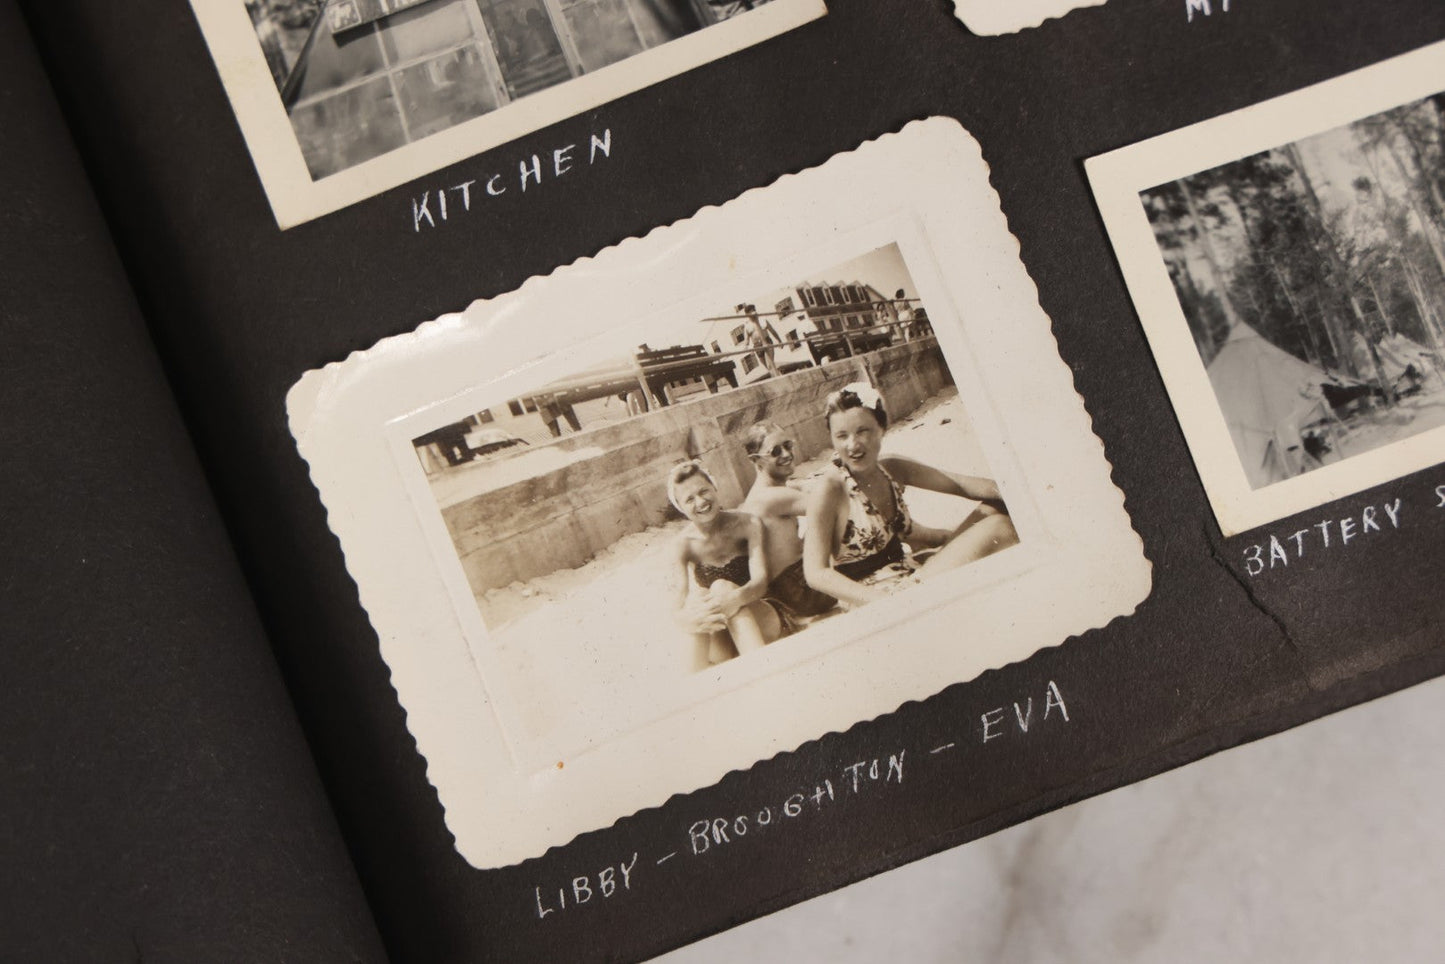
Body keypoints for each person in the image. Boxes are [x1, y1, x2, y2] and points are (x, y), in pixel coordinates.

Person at [803, 382, 1018, 608]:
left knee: (993, 508)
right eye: (841, 436)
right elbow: (815, 572)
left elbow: (963, 485)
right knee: (998, 527)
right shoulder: (830, 488)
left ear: (881, 428)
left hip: (910, 572)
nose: (852, 445)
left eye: (862, 431)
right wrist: (885, 601)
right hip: (880, 597)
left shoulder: (891, 469)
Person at [667, 461, 783, 671]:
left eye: (703, 491)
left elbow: (760, 582)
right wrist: (688, 619)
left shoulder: (748, 524)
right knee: (698, 599)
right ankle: (694, 688)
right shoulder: (682, 545)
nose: (701, 501)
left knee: (721, 587)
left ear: (714, 487)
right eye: (689, 499)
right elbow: (677, 605)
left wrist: (734, 598)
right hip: (721, 636)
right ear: (681, 508)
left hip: (762, 619)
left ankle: (765, 674)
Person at [740, 422, 838, 629]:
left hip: (791, 588)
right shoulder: (770, 498)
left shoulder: (768, 490)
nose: (786, 454)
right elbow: (833, 505)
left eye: (788, 445)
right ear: (756, 461)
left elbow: (804, 487)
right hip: (801, 592)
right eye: (775, 451)